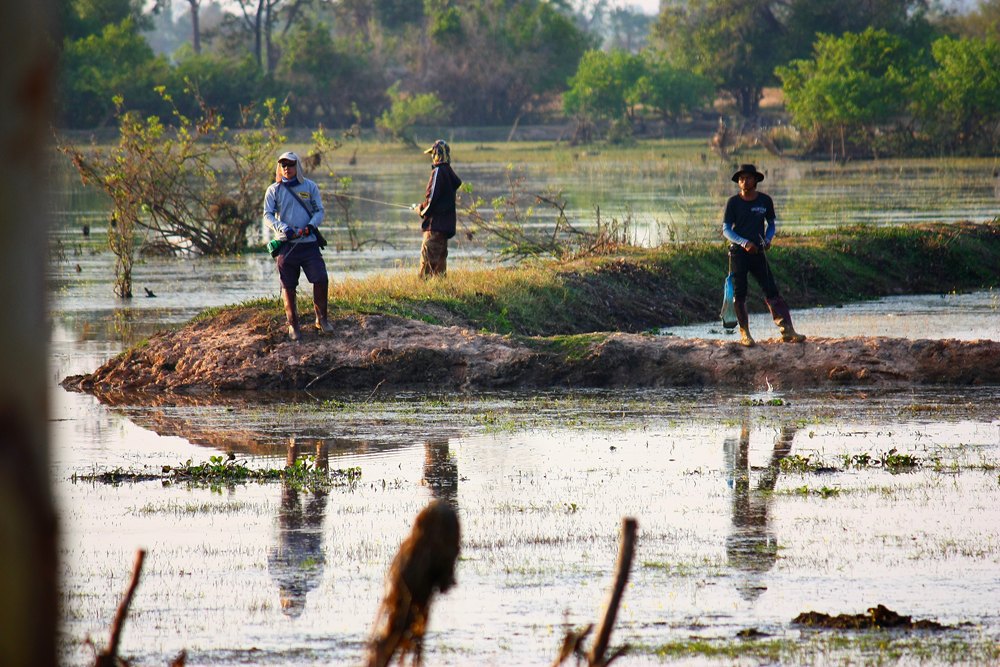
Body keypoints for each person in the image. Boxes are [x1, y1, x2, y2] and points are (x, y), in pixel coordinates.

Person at [722, 164, 806, 347]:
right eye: (741, 179)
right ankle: (745, 334)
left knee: (771, 290)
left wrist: (767, 240)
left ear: (755, 180)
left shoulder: (764, 201)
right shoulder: (733, 203)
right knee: (740, 293)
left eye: (747, 178)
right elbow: (726, 230)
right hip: (739, 253)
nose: (744, 182)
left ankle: (787, 330)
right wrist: (744, 243)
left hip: (758, 252)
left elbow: (771, 224)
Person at [264, 151, 334, 341]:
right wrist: (283, 228)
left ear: (298, 166)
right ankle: (293, 325)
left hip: (309, 244)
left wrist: (310, 226)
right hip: (287, 246)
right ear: (280, 168)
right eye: (283, 165)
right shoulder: (274, 190)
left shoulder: (310, 186)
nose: (287, 168)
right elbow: (267, 215)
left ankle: (322, 320)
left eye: (291, 164)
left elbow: (319, 210)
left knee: (320, 278)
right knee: (288, 285)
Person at [416, 139, 462, 278]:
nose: (431, 156)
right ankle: (441, 294)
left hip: (434, 228)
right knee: (439, 273)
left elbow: (431, 200)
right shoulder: (448, 173)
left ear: (437, 154)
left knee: (425, 271)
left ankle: (423, 297)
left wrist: (421, 210)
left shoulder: (438, 171)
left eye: (433, 153)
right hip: (444, 230)